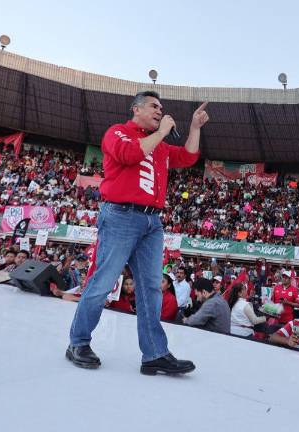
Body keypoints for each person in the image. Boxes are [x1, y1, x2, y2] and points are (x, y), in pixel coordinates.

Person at [66, 91, 208, 375]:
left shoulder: (161, 147)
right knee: (103, 282)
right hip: (120, 216)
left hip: (152, 223)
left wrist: (194, 128)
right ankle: (78, 342)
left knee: (151, 290)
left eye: (161, 108)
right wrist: (164, 131)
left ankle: (154, 353)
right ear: (136, 109)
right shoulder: (117, 133)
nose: (160, 111)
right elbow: (131, 154)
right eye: (154, 106)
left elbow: (189, 157)